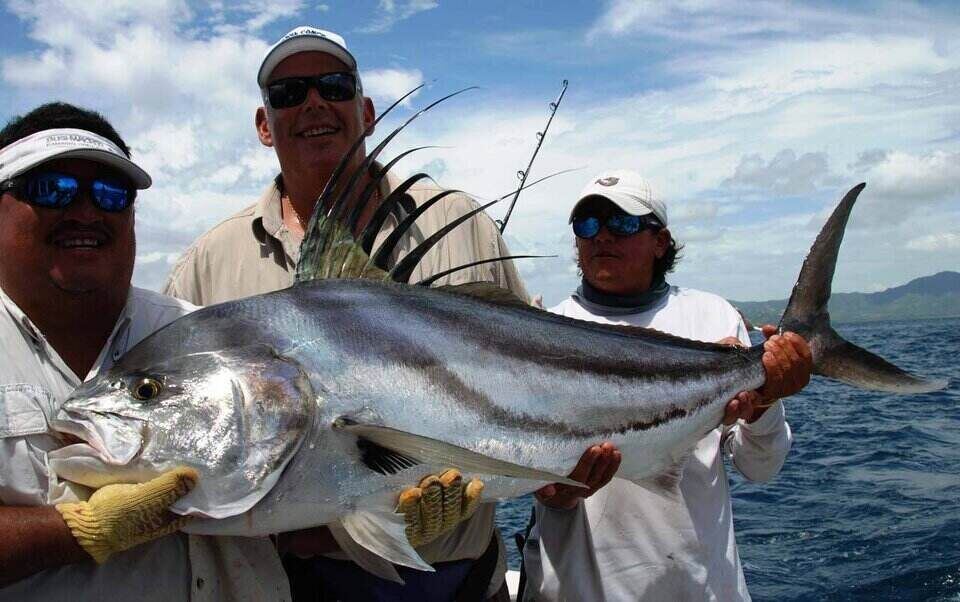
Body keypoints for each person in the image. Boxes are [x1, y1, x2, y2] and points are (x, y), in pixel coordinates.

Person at [163, 26, 580, 601]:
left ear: (365, 111)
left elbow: (539, 366)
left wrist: (556, 480)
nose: (313, 103)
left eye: (332, 86)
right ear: (264, 125)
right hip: (285, 586)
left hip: (460, 583)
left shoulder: (456, 219)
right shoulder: (208, 263)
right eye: (288, 93)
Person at [0, 103, 289, 600]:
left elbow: (283, 506)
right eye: (51, 189)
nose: (86, 211)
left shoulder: (209, 336)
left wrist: (383, 500)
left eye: (111, 195)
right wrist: (80, 531)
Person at [521, 169, 812, 601]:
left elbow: (761, 467)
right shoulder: (541, 331)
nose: (601, 237)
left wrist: (766, 403)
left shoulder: (712, 317)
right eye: (587, 225)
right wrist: (552, 494)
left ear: (661, 241)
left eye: (621, 223)